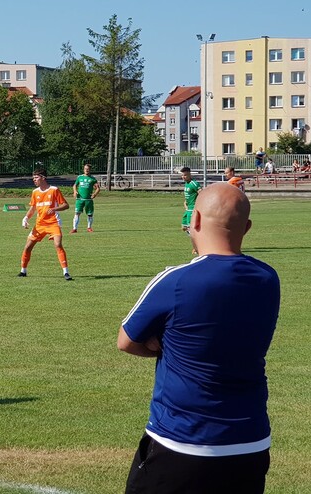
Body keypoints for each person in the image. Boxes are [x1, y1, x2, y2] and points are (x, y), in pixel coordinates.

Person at [117, 182, 278, 493]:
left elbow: (126, 341)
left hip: (183, 442)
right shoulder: (267, 278)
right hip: (251, 442)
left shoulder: (176, 280)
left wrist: (165, 347)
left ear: (196, 221)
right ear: (246, 227)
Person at [19, 168, 71, 280]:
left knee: (58, 244)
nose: (34, 180)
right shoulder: (35, 192)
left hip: (53, 223)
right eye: (33, 177)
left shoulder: (54, 190)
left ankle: (66, 272)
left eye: (36, 177)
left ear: (43, 178)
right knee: (27, 247)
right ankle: (23, 271)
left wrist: (54, 208)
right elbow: (33, 208)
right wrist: (26, 217)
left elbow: (66, 205)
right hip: (39, 225)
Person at [71, 163, 100, 233]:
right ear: (83, 169)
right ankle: (74, 228)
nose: (86, 170)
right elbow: (74, 185)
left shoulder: (92, 179)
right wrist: (75, 191)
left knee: (90, 214)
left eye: (88, 169)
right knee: (77, 213)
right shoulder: (80, 177)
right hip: (79, 199)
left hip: (88, 200)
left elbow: (98, 188)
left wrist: (95, 194)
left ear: (90, 170)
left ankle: (89, 228)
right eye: (85, 169)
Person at [179, 167, 201, 235]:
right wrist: (185, 201)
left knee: (191, 229)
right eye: (182, 175)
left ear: (190, 174)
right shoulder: (186, 183)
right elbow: (190, 195)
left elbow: (201, 193)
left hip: (192, 208)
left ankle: (197, 242)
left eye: (185, 175)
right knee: (184, 227)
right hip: (188, 209)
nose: (183, 177)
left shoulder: (193, 183)